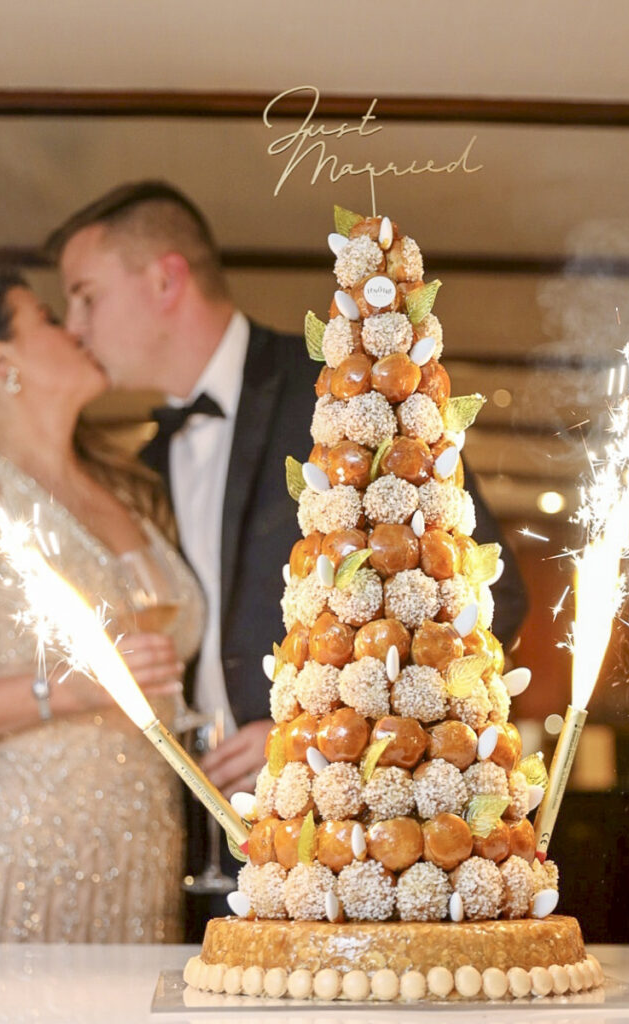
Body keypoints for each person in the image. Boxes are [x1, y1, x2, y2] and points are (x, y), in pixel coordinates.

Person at [50, 182, 527, 931]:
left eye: (85, 296)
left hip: (360, 838)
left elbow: (476, 583)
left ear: (164, 278)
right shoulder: (143, 464)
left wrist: (315, 729)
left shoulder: (335, 390)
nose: (74, 326)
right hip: (208, 837)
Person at [0, 271, 204, 943]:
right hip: (10, 847)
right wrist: (68, 691)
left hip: (141, 851)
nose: (77, 328)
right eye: (51, 318)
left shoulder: (132, 490)